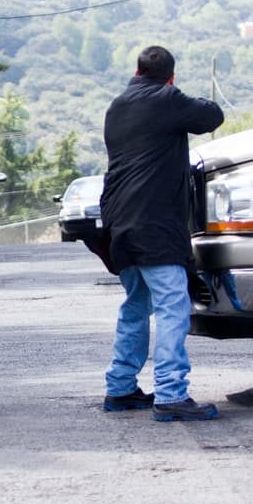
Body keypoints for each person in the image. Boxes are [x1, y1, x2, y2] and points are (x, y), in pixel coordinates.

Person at [100, 45, 225, 421]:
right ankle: (171, 393)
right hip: (154, 223)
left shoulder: (117, 105)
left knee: (136, 306)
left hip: (119, 222)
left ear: (136, 70)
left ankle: (120, 388)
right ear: (170, 76)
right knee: (173, 306)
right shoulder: (167, 98)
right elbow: (211, 115)